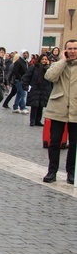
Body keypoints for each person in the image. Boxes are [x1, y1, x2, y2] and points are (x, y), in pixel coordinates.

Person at [41, 40, 77, 184]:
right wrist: (62, 61)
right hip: (58, 107)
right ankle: (52, 171)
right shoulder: (58, 64)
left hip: (75, 108)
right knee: (54, 142)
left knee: (74, 144)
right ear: (65, 50)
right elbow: (50, 77)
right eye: (70, 48)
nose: (73, 51)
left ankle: (71, 173)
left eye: (75, 48)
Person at [21, 54, 52, 127]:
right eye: (43, 59)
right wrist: (26, 86)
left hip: (44, 89)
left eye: (45, 59)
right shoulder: (34, 67)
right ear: (40, 60)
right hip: (35, 88)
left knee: (41, 105)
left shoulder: (49, 69)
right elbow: (27, 76)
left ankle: (38, 120)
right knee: (34, 105)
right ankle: (32, 120)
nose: (44, 61)